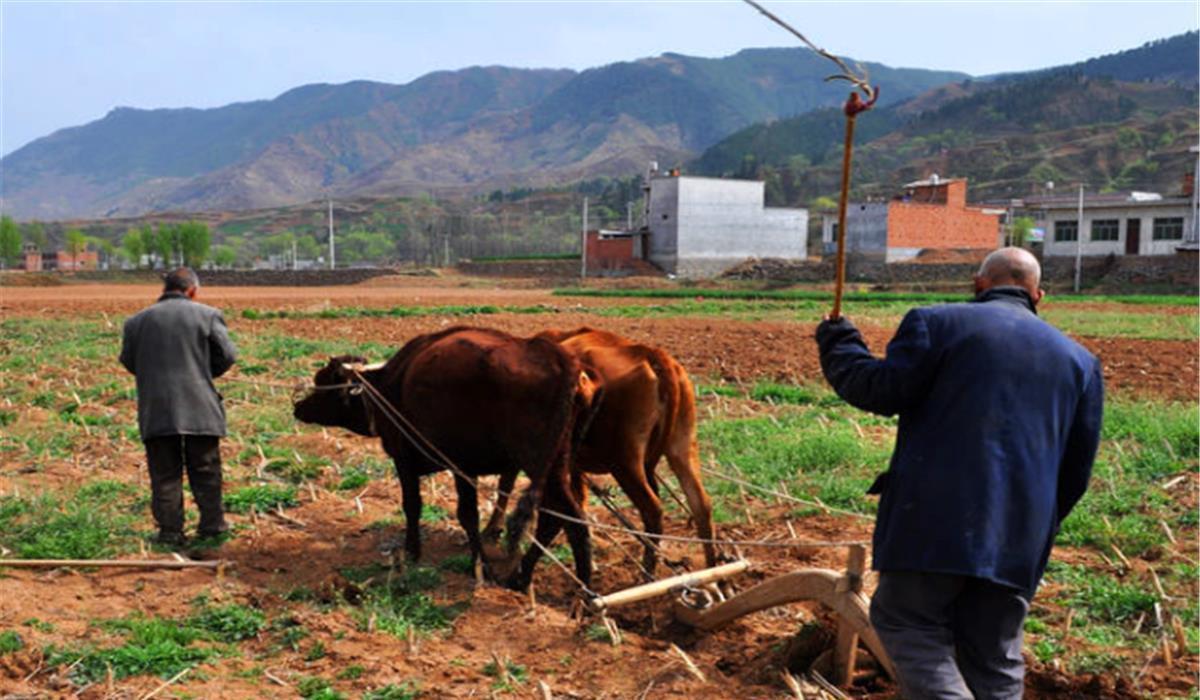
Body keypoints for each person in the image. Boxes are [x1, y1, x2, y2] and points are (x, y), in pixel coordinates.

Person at [814, 247, 1103, 699]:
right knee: (994, 656)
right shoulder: (1080, 362)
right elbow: (1075, 472)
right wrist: (1031, 522)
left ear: (978, 285)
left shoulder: (936, 323)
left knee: (906, 621)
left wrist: (838, 340)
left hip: (933, 523)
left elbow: (878, 389)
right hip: (1019, 538)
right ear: (1038, 295)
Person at [120, 267, 238, 546]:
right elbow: (227, 356)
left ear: (163, 290)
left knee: (164, 474)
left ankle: (170, 533)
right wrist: (202, 373)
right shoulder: (208, 315)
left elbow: (129, 361)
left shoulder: (135, 322)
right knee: (206, 469)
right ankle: (213, 527)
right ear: (193, 291)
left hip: (157, 408)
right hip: (200, 406)